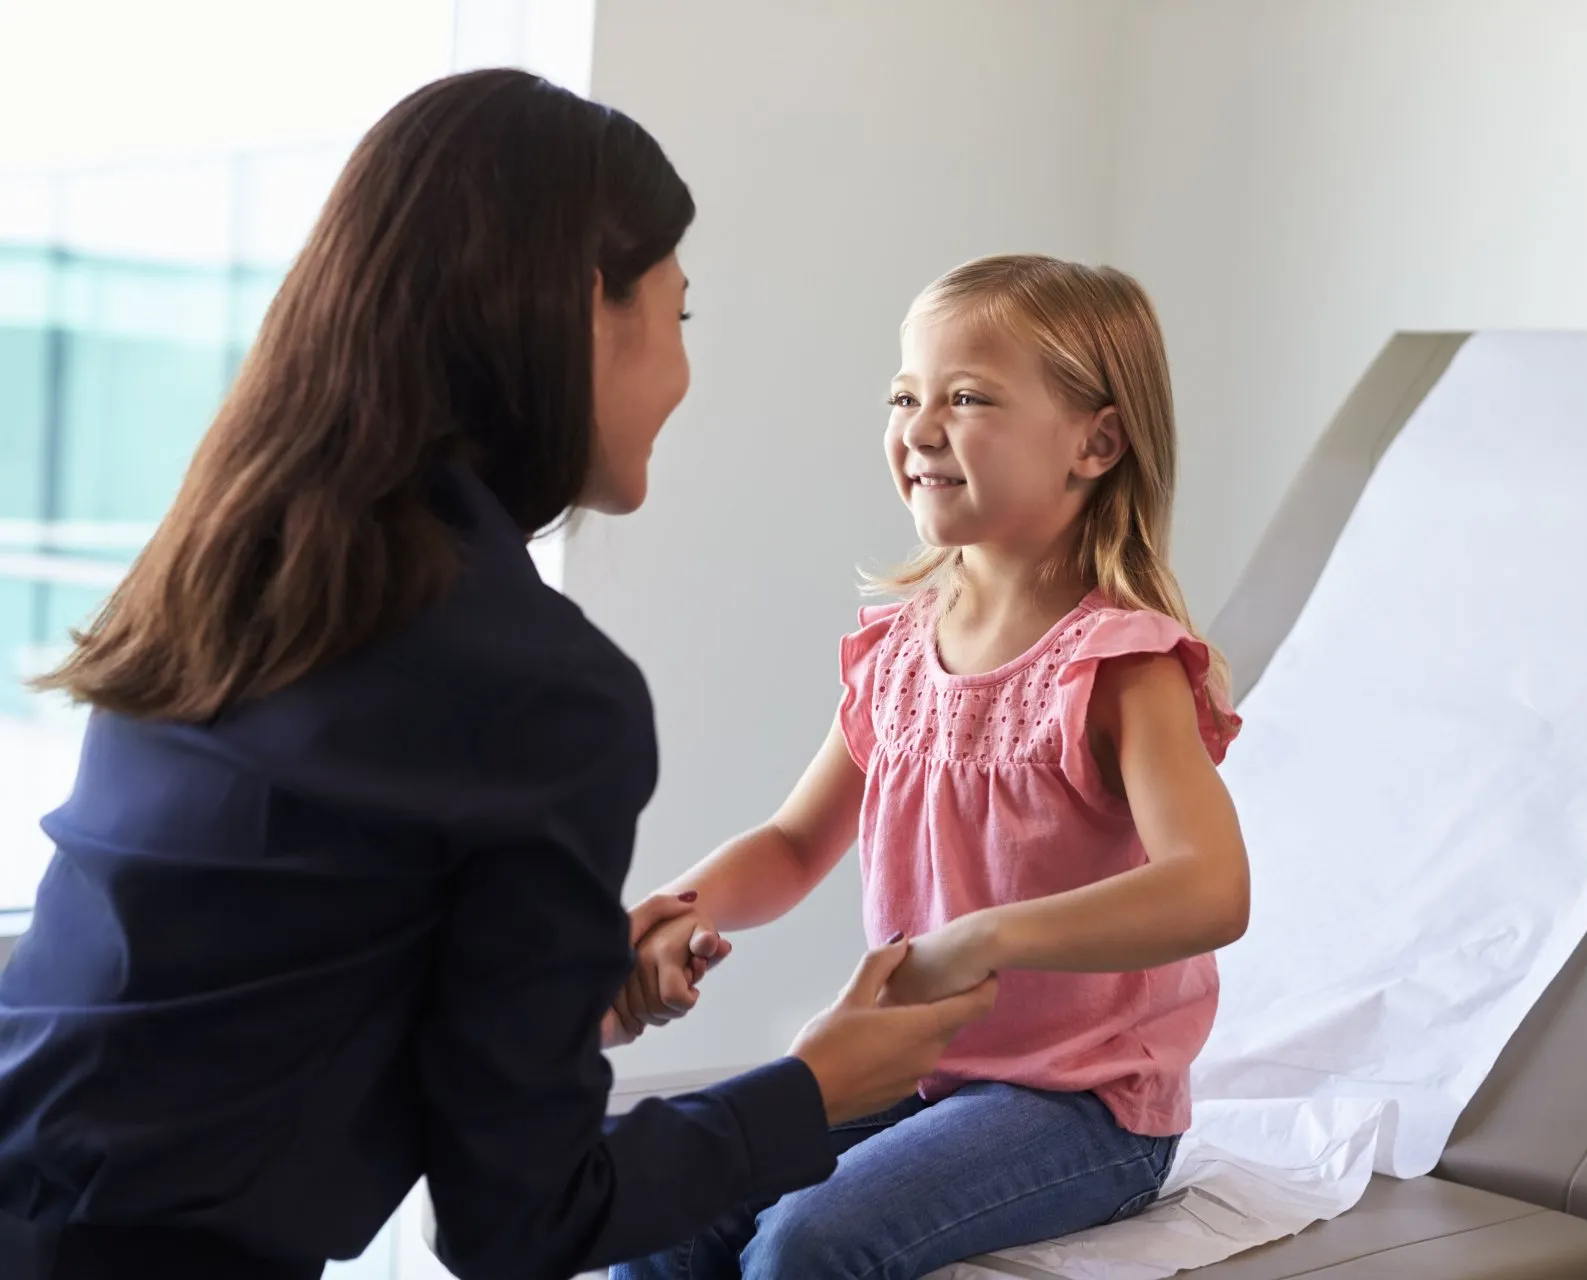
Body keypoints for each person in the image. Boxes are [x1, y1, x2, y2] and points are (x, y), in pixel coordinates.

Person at [0, 69, 994, 1280]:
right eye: (678, 314)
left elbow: (256, 975)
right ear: (587, 308)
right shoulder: (541, 688)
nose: (683, 375)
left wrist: (555, 995)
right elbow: (518, 1221)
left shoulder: (228, 574)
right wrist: (812, 1087)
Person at [608, 254, 1252, 1280]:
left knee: (807, 1243)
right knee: (665, 1211)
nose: (919, 427)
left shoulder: (1119, 664)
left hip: (1082, 1104)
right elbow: (793, 844)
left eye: (967, 398)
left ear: (1096, 442)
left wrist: (986, 937)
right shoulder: (901, 651)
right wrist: (682, 908)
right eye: (905, 396)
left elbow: (1212, 887)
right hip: (915, 1069)